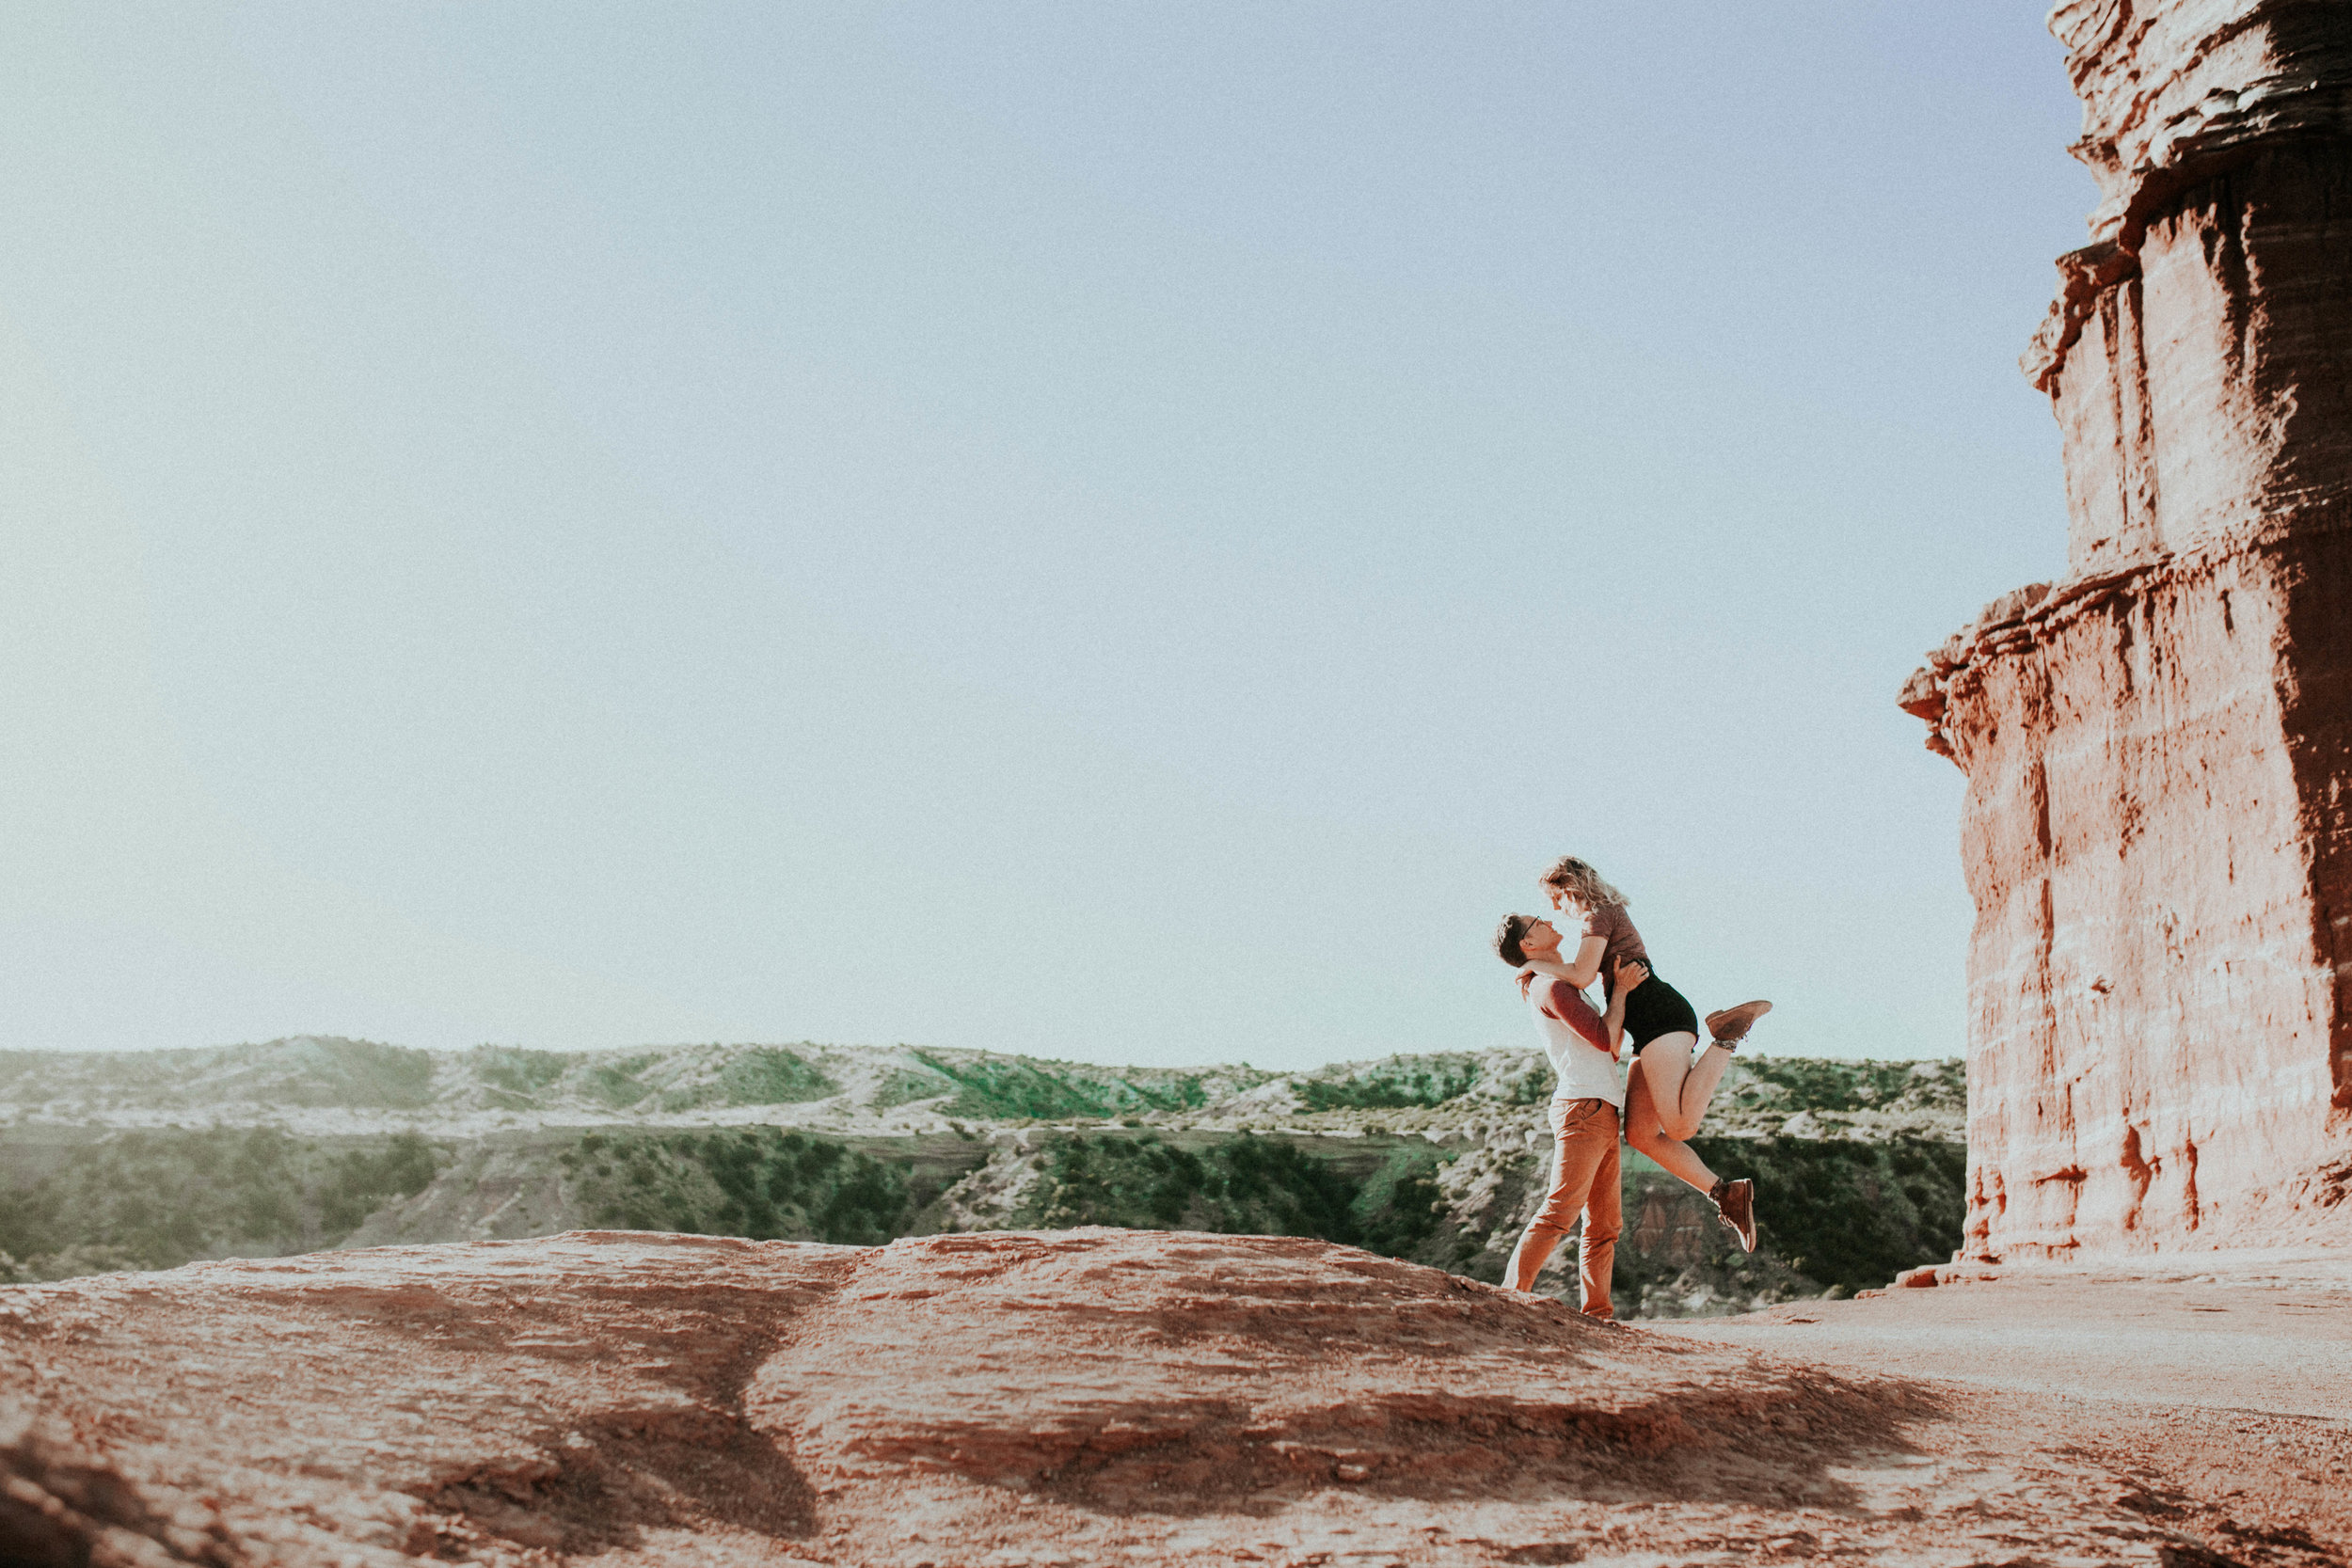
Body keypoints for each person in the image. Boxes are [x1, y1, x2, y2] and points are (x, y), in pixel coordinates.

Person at [1499, 856, 1767, 1251]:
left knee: (1678, 1128)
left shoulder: (1598, 915)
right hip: (1646, 1025)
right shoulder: (1600, 918)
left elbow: (1581, 975)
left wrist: (1533, 964)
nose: (1556, 910)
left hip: (1659, 1015)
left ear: (1569, 887)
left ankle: (1726, 1036)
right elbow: (1610, 1038)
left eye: (1556, 899)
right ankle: (1726, 1194)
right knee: (1640, 1134)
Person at [1493, 926, 1645, 1317]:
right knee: (1561, 1210)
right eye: (1536, 922)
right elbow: (1604, 1040)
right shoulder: (1552, 987)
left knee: (1605, 1224)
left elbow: (1606, 1047)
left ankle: (1597, 1314)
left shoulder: (1563, 985)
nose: (1548, 921)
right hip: (1584, 1108)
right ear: (1529, 944)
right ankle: (1510, 1299)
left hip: (1601, 1107)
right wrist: (1623, 991)